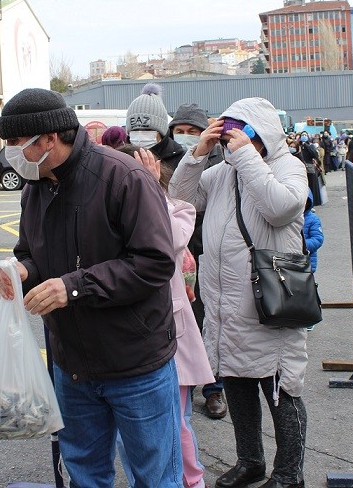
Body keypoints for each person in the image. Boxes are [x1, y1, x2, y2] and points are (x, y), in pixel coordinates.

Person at [0, 88, 182, 486]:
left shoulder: (122, 177)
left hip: (136, 365)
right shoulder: (35, 188)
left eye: (15, 144)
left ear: (48, 139)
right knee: (84, 474)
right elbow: (29, 250)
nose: (9, 154)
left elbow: (156, 261)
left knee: (155, 477)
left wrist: (74, 287)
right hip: (72, 366)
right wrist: (22, 270)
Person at [169, 97, 310, 488]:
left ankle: (289, 474)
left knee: (281, 388)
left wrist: (247, 157)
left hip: (270, 299)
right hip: (224, 301)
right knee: (237, 381)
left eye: (242, 131)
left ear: (260, 132)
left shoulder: (289, 167)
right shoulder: (222, 174)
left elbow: (281, 207)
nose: (232, 140)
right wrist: (198, 154)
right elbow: (181, 199)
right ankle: (251, 461)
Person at [117, 144, 215, 488]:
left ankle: (193, 482)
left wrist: (149, 189)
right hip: (129, 338)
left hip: (173, 337)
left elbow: (165, 240)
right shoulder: (115, 211)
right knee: (130, 434)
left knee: (176, 424)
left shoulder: (178, 209)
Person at [168, 102, 227, 420]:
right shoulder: (162, 158)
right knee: (180, 319)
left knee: (208, 318)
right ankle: (182, 385)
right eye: (180, 132)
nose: (187, 137)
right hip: (175, 252)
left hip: (206, 250)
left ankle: (214, 388)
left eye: (194, 132)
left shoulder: (218, 158)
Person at [126, 83, 185, 170]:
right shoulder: (121, 158)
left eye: (148, 129)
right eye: (135, 129)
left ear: (161, 132)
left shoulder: (180, 160)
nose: (140, 134)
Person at [303, 189, 323, 274]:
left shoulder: (313, 219)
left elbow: (318, 239)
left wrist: (303, 245)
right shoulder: (289, 217)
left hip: (308, 260)